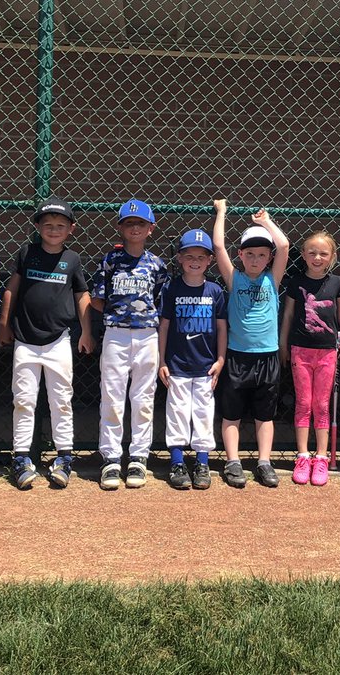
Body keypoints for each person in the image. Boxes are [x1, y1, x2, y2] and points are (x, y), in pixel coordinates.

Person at [0, 198, 94, 489]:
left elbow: (82, 296)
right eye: (48, 224)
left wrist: (87, 332)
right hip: (25, 339)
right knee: (23, 400)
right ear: (38, 226)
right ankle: (21, 457)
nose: (54, 229)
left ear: (71, 229)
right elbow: (12, 289)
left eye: (61, 225)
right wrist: (4, 324)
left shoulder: (72, 259)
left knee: (61, 400)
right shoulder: (27, 253)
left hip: (58, 339)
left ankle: (64, 457)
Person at [91, 199, 170, 491]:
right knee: (112, 395)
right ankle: (111, 457)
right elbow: (97, 298)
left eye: (140, 223)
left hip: (147, 334)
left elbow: (161, 300)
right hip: (117, 333)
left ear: (150, 228)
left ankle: (138, 455)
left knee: (143, 397)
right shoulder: (110, 260)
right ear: (120, 228)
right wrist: (119, 314)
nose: (135, 228)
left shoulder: (157, 264)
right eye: (129, 223)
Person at [212, 198, 290, 488]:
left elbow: (284, 246)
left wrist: (266, 222)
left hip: (267, 357)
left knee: (264, 415)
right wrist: (222, 212)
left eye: (261, 254)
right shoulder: (234, 279)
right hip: (237, 356)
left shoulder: (273, 279)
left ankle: (264, 462)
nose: (255, 259)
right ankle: (232, 461)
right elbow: (218, 246)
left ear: (269, 258)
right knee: (231, 414)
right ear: (240, 255)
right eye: (250, 254)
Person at [278, 230, 340, 487]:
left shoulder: (336, 282)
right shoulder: (295, 281)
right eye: (312, 252)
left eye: (323, 253)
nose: (317, 257)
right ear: (303, 254)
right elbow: (288, 315)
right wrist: (283, 344)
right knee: (303, 402)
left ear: (332, 256)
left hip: (327, 351)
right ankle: (302, 456)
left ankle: (321, 457)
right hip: (300, 350)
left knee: (321, 404)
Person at [157, 229, 227, 491]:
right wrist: (161, 360)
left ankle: (202, 462)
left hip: (206, 366)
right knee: (177, 413)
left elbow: (222, 327)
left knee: (203, 413)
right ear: (179, 258)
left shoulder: (214, 290)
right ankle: (177, 462)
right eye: (189, 256)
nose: (195, 261)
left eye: (201, 256)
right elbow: (164, 326)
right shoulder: (172, 288)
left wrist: (221, 359)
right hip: (177, 364)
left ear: (209, 260)